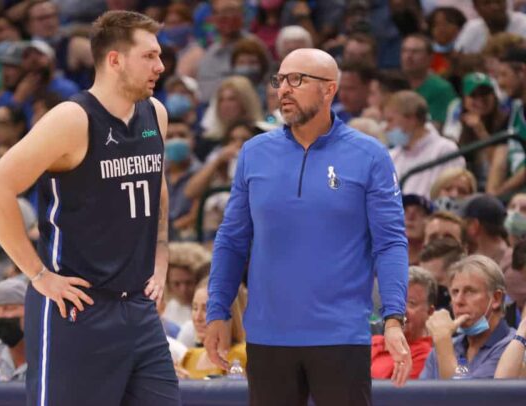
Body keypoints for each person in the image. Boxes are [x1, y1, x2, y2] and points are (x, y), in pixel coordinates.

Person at [0, 10, 179, 406]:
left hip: (138, 308)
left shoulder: (155, 113)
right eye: (150, 56)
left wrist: (162, 250)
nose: (161, 66)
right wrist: (37, 275)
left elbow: (155, 182)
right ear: (115, 60)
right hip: (78, 309)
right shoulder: (72, 119)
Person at [205, 48, 411, 406]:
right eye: (280, 79)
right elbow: (231, 240)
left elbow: (390, 243)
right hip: (267, 338)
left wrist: (394, 317)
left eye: (296, 80)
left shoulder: (370, 155)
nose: (284, 89)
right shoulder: (254, 153)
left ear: (329, 89)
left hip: (341, 337)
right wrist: (218, 311)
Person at [421, 255, 515, 379]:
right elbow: (421, 397)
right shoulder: (451, 346)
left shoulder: (513, 346)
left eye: (470, 291)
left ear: (496, 298)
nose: (458, 301)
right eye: (455, 292)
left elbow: (463, 396)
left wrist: (443, 341)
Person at [371, 267, 436, 380]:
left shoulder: (426, 356)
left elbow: (389, 395)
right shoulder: (372, 341)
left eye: (411, 303)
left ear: (429, 312)